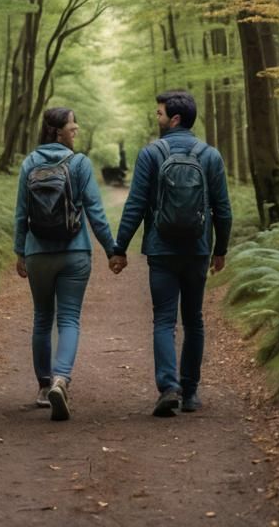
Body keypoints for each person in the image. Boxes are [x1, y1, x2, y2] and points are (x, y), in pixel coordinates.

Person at [109, 88, 232, 417]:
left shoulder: (151, 154)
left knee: (164, 319)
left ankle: (168, 387)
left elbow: (135, 205)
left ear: (174, 118)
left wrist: (120, 248)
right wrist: (220, 249)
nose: (157, 117)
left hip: (161, 250)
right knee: (194, 320)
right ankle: (190, 393)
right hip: (197, 250)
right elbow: (223, 209)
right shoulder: (210, 155)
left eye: (160, 112)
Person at [14, 106, 117, 421]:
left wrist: (20, 252)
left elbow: (21, 214)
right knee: (69, 318)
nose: (77, 129)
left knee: (42, 318)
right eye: (73, 126)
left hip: (38, 253)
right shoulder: (80, 163)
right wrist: (112, 250)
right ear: (58, 130)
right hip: (75, 252)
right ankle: (61, 379)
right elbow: (95, 212)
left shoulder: (29, 163)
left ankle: (44, 387)